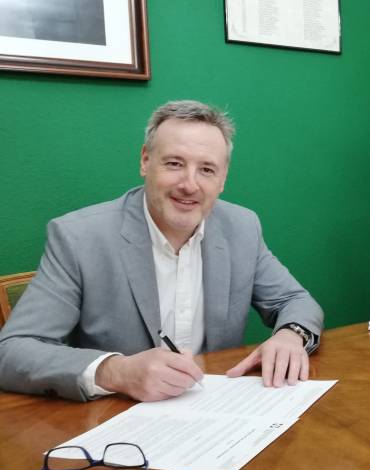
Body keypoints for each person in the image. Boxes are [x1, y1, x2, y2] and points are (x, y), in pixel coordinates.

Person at [0, 100, 323, 402]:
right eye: (174, 163)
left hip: (216, 409)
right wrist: (116, 371)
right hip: (115, 417)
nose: (189, 184)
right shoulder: (79, 237)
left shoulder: (241, 227)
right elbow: (13, 350)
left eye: (207, 169)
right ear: (145, 161)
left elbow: (294, 301)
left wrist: (290, 335)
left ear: (223, 178)